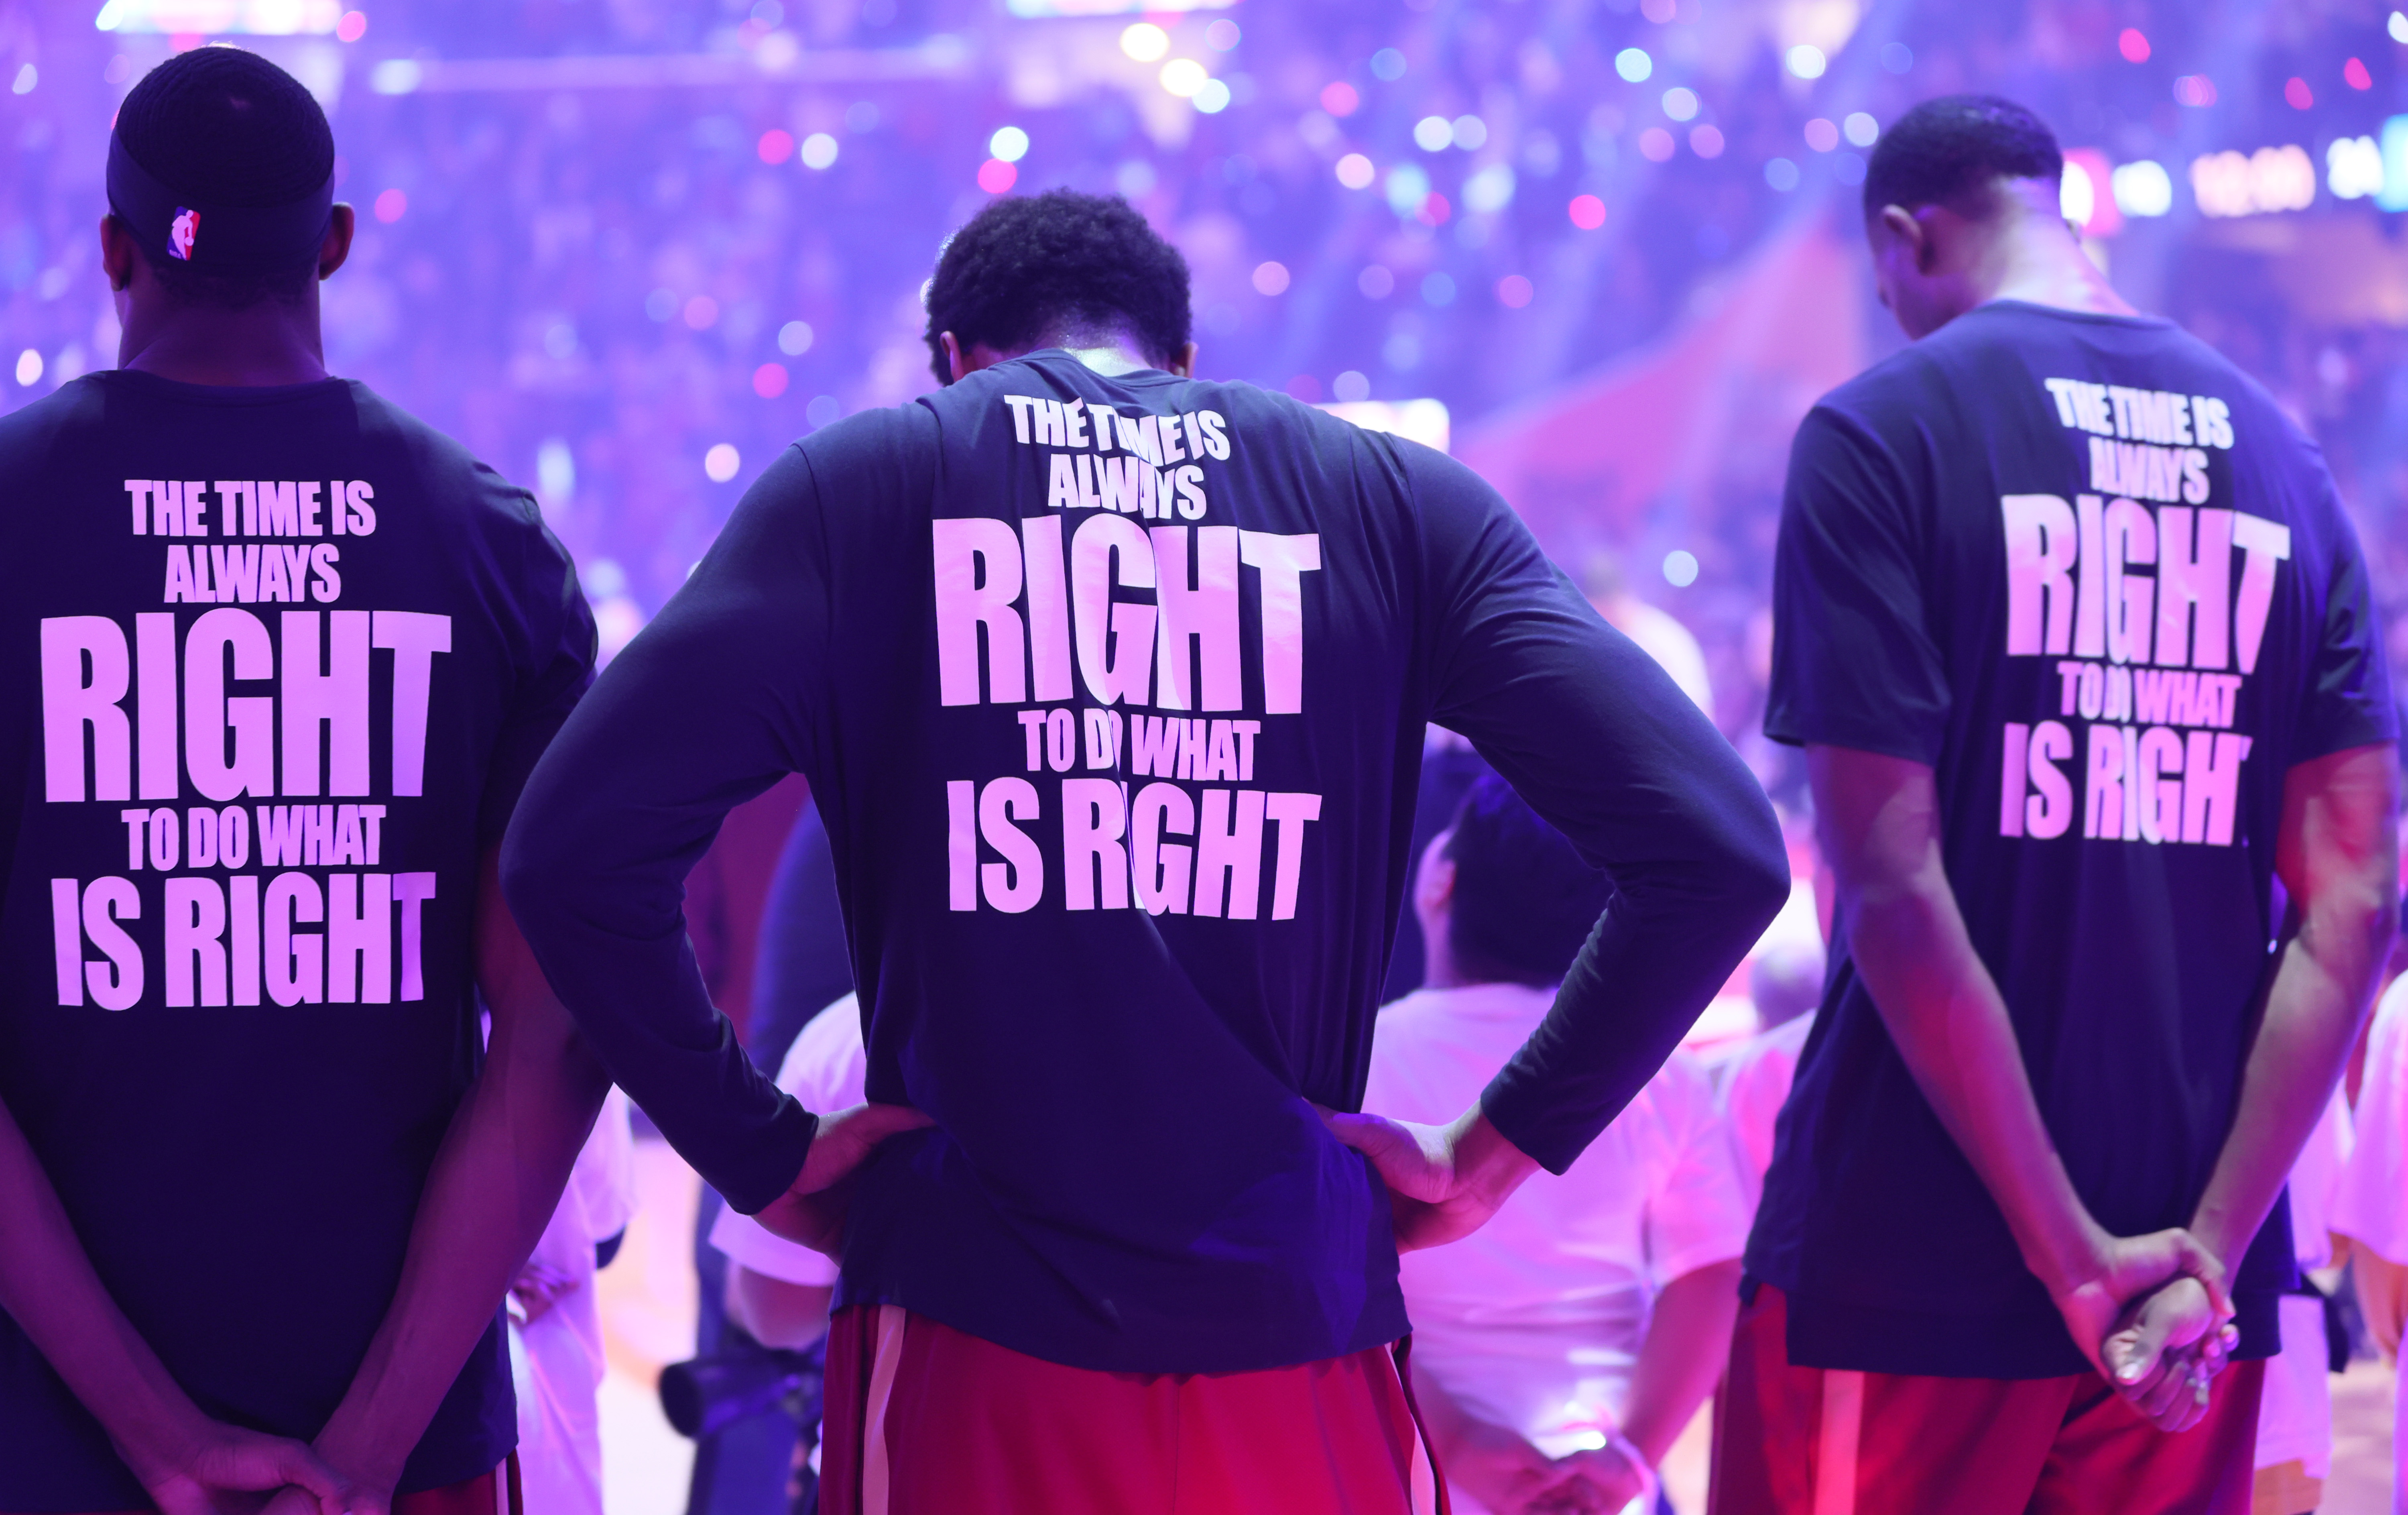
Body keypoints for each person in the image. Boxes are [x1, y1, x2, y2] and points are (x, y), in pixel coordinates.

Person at [502, 188, 1789, 1513]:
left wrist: (758, 1148)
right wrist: (1488, 1156)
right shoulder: (1390, 496)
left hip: (973, 1308)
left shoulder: (879, 478)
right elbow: (1721, 850)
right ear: (1182, 361)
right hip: (1302, 1315)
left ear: (953, 359)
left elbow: (571, 849)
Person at [1713, 94, 2400, 1515]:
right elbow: (2358, 896)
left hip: (1913, 1253)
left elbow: (1891, 887)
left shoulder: (1880, 430)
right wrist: (2205, 1241)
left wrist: (2071, 1252)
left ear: (1907, 237)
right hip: (2191, 1282)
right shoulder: (2283, 456)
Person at [0, 47, 608, 1515]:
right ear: (334, 240)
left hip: (48, 1438)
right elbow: (552, 1045)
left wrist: (157, 1435)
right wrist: (371, 1449)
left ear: (112, 250)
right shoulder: (492, 547)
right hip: (404, 1440)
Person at [1366, 776, 1751, 1515]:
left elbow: (1334, 1275)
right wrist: (1633, 1457)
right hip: (1597, 1484)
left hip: (1409, 1468)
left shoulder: (1365, 1061)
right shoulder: (1662, 1070)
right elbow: (1711, 1273)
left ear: (1440, 883)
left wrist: (1448, 1435)